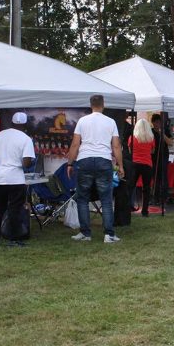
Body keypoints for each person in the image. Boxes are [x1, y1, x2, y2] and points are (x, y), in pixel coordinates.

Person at [67, 95, 125, 243]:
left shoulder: (82, 121)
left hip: (84, 160)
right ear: (103, 105)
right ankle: (109, 234)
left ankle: (85, 233)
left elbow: (75, 144)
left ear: (90, 105)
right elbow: (116, 146)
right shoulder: (110, 122)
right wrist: (120, 166)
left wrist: (69, 163)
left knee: (83, 198)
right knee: (106, 199)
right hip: (104, 160)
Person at [0, 112, 35, 247]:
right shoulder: (26, 139)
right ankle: (13, 239)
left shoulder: (1, 135)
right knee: (14, 210)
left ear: (12, 122)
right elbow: (26, 163)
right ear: (25, 124)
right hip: (15, 179)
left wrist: (4, 156)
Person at [128, 118, 155, 218]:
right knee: (146, 188)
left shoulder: (132, 137)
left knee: (131, 186)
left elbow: (130, 150)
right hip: (147, 164)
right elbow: (152, 151)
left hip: (135, 163)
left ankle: (127, 208)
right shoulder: (151, 138)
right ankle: (145, 211)